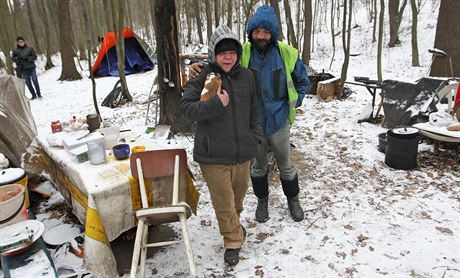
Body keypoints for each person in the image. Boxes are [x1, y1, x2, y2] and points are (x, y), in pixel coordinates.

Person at [189, 5, 310, 222]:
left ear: (273, 33)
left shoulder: (287, 54)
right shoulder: (242, 53)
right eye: (257, 31)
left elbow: (303, 80)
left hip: (279, 120)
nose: (261, 36)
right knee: (258, 165)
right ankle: (262, 201)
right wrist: (197, 68)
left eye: (265, 32)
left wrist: (294, 102)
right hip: (252, 123)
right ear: (251, 32)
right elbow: (221, 64)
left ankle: (293, 199)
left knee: (286, 164)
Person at [180, 25, 263, 266]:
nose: (228, 57)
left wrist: (255, 137)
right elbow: (186, 110)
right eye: (222, 52)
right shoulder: (202, 76)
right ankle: (232, 241)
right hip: (213, 155)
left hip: (242, 153)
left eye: (232, 52)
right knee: (224, 202)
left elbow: (255, 110)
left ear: (238, 53)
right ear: (213, 53)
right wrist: (216, 104)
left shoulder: (248, 76)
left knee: (236, 202)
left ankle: (232, 227)